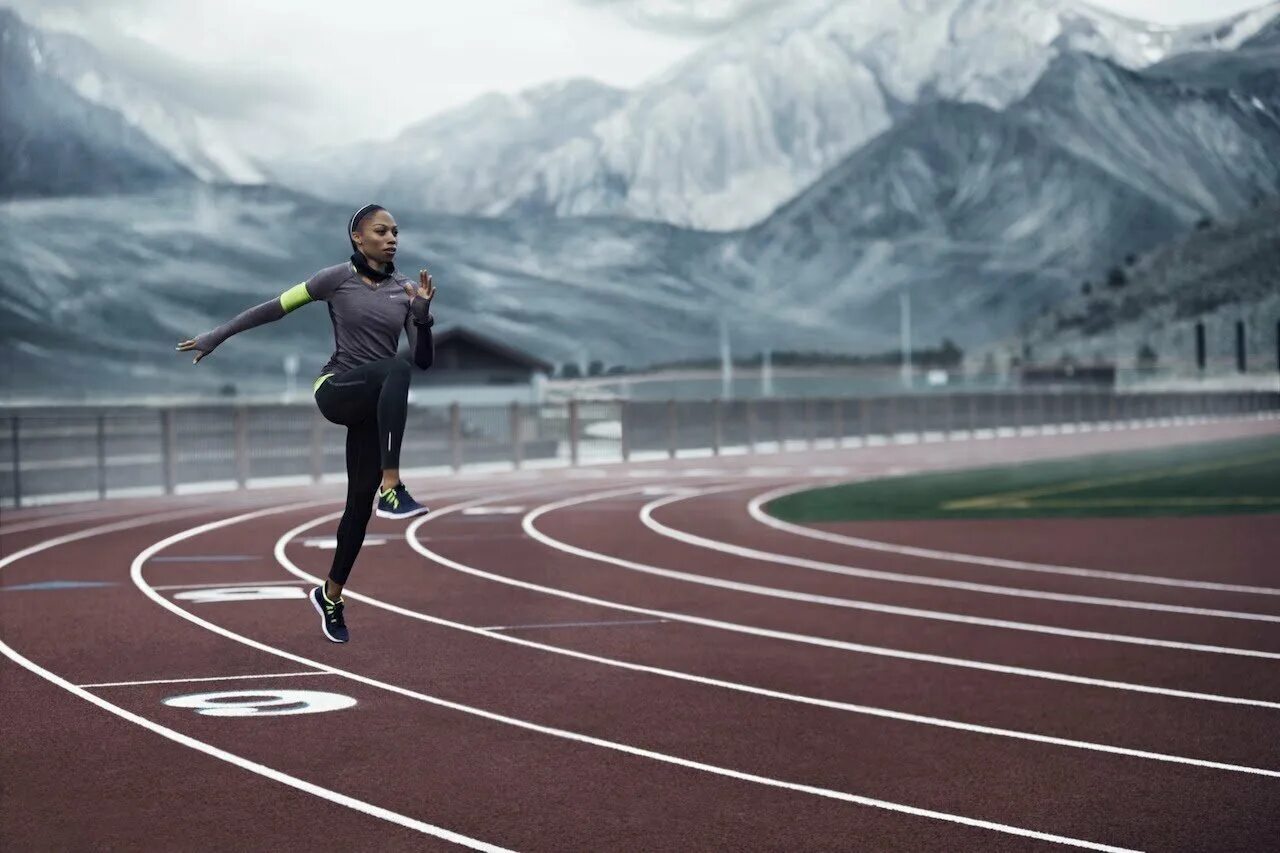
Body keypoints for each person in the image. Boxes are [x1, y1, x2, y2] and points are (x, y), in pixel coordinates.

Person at [177, 204, 435, 643]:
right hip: (336, 389)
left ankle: (330, 596)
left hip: (374, 405)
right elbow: (273, 309)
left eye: (395, 231)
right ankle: (392, 487)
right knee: (395, 368)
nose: (392, 238)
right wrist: (216, 335)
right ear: (357, 237)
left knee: (357, 509)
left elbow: (425, 360)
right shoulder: (333, 279)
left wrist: (423, 316)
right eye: (381, 231)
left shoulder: (408, 291)